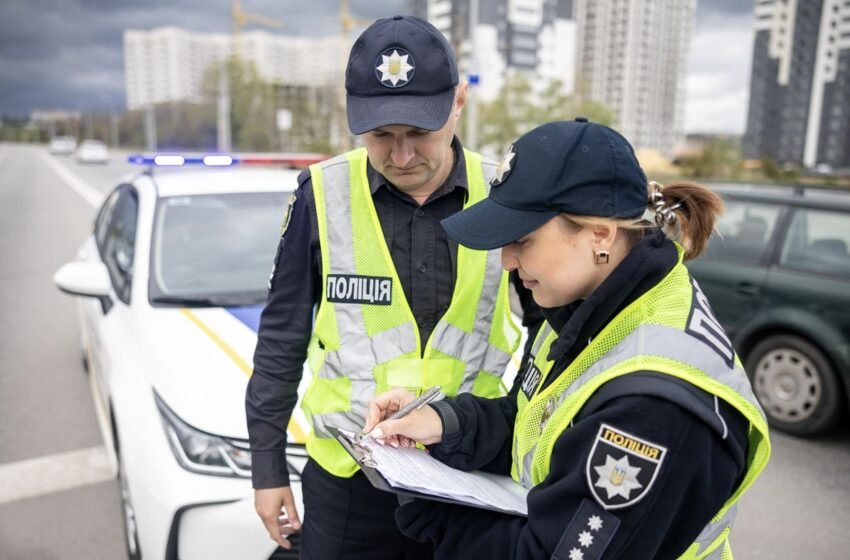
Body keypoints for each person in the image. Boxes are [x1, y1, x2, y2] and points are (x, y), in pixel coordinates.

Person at [364, 119, 772, 559]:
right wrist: (446, 425)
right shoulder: (592, 306)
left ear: (600, 234)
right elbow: (535, 423)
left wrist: (425, 505)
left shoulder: (655, 409)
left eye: (522, 239)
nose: (506, 261)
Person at [246, 15, 541, 559]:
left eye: (420, 134)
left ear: (459, 102)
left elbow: (551, 343)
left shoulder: (506, 197)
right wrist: (266, 470)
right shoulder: (321, 195)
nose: (402, 156)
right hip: (349, 486)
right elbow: (282, 339)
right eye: (382, 136)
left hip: (469, 478)